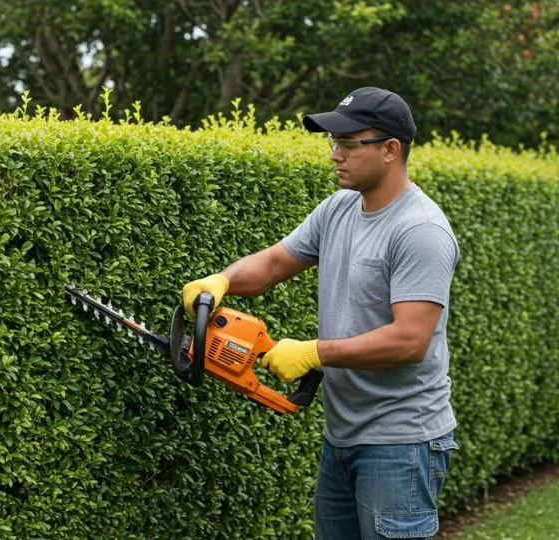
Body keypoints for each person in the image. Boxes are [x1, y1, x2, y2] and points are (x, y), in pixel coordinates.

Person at [182, 87, 460, 539]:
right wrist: (222, 282)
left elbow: (411, 340)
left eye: (350, 144)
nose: (336, 154)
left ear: (391, 150)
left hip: (403, 442)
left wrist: (315, 352)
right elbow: (273, 263)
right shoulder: (339, 209)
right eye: (334, 143)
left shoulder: (420, 231)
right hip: (343, 437)